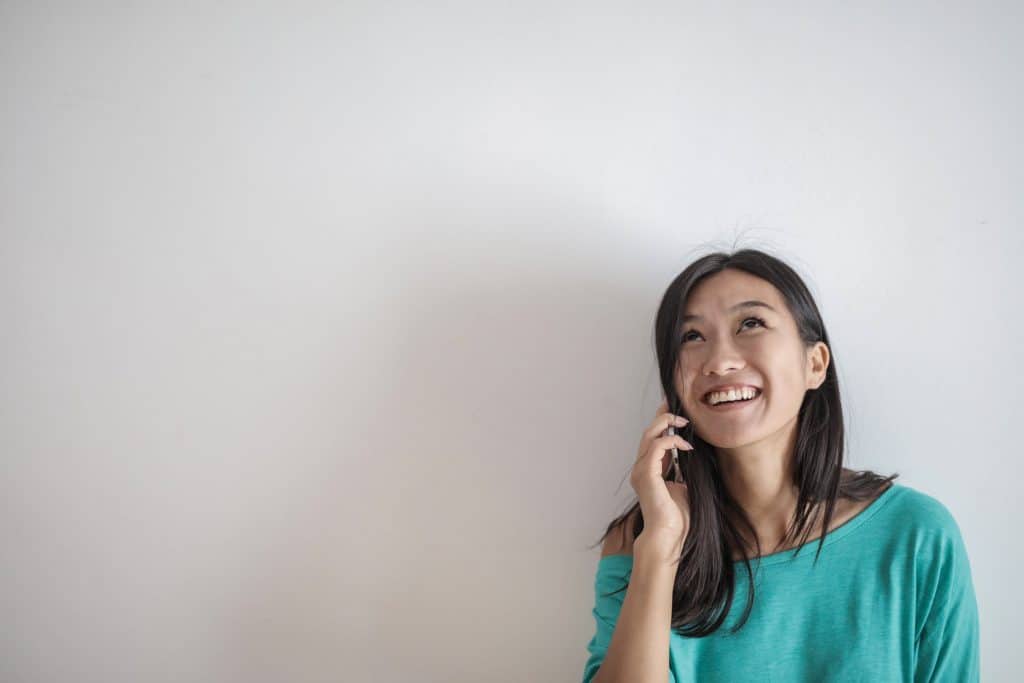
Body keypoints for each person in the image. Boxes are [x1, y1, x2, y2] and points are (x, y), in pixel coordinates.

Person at [581, 249, 980, 682]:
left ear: (815, 364)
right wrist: (661, 550)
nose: (719, 362)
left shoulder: (915, 536)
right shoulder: (641, 542)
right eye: (691, 337)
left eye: (750, 324)